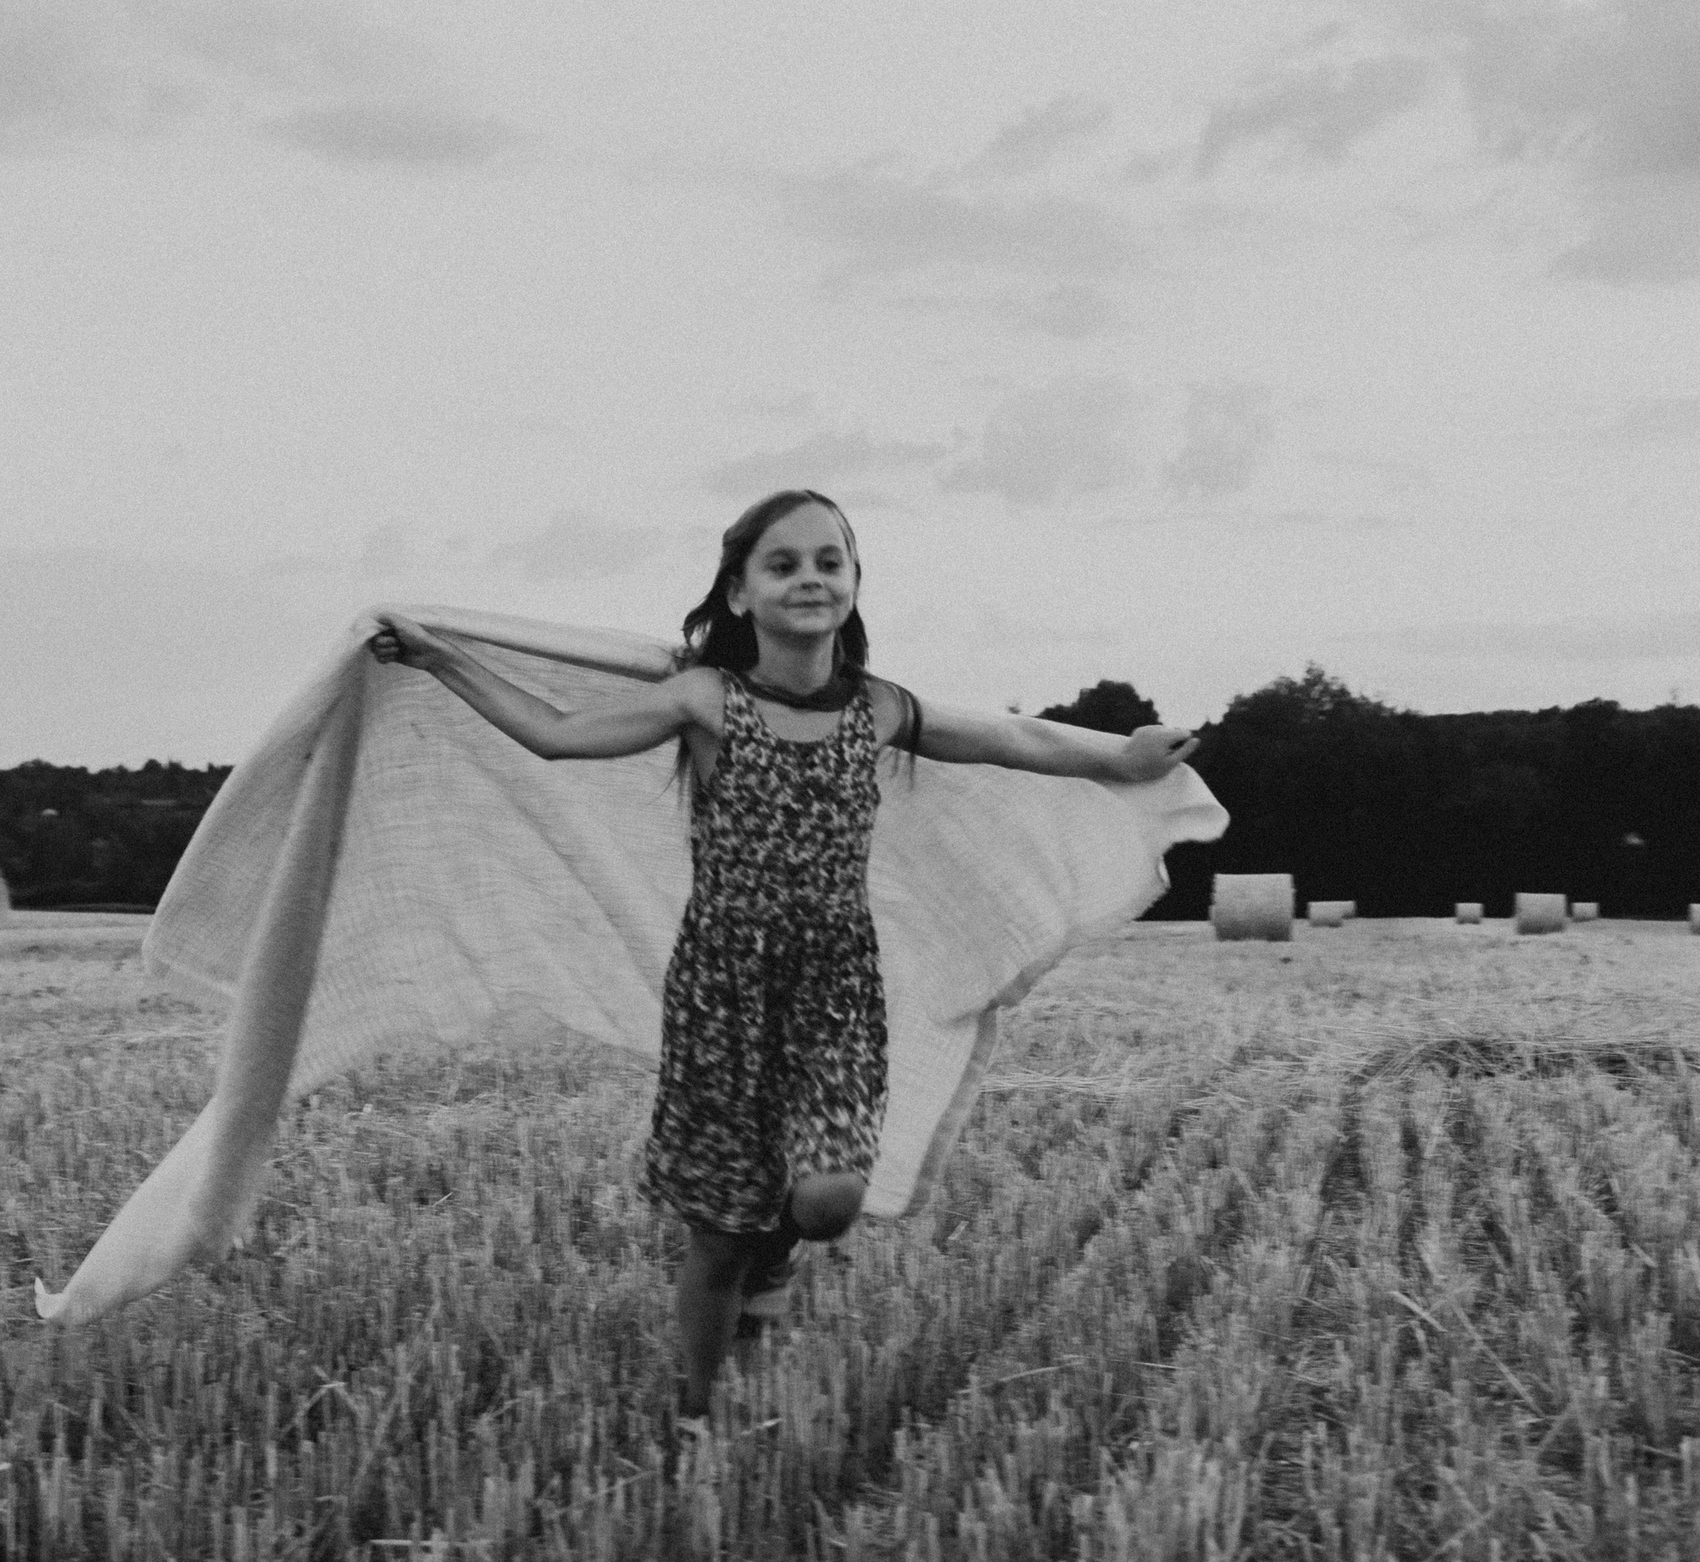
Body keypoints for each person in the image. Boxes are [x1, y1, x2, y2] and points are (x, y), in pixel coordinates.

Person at [370, 488, 1201, 1427]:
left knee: (828, 1199)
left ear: (852, 585)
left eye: (829, 561)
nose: (809, 577)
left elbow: (1017, 738)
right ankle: (696, 1411)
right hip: (721, 991)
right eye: (782, 563)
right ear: (737, 594)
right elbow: (557, 736)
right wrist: (443, 658)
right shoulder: (705, 699)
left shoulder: (881, 710)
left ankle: (781, 1258)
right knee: (718, 1233)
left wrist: (1123, 758)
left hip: (837, 986)